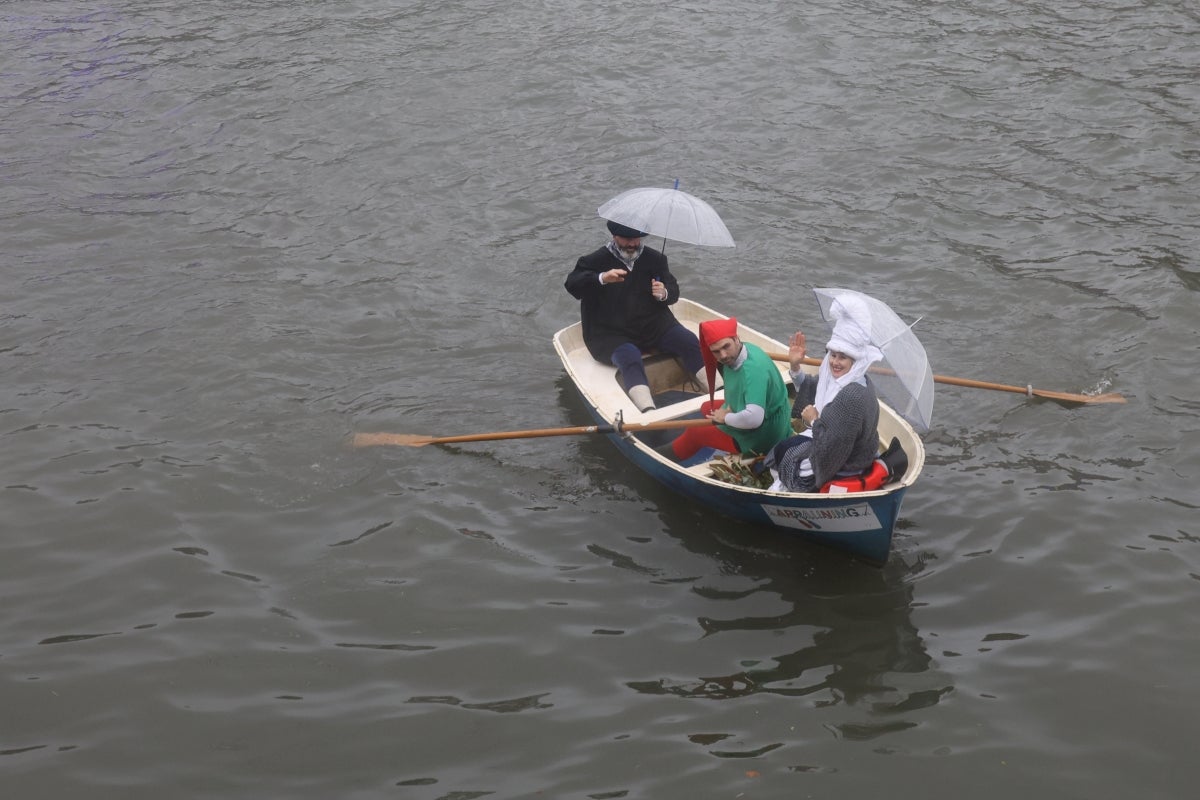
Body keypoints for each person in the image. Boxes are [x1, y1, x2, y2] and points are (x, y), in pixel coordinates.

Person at [564, 220, 708, 412]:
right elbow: (573, 286)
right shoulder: (593, 261)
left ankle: (719, 392)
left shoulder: (655, 259)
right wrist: (602, 278)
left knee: (689, 340)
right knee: (629, 356)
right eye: (626, 239)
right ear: (614, 236)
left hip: (654, 325)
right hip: (609, 332)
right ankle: (647, 412)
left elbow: (674, 291)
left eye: (636, 238)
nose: (632, 244)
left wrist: (664, 293)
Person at [762, 301, 885, 492]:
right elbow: (811, 387)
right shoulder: (846, 379)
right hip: (837, 443)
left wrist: (813, 421)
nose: (835, 362)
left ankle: (792, 490)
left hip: (848, 459)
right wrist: (795, 366)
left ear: (856, 360)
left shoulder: (851, 395)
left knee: (787, 458)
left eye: (842, 357)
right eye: (833, 355)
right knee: (780, 450)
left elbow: (832, 447)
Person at [664, 317, 793, 461]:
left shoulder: (753, 370)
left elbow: (754, 419)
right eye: (716, 351)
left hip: (764, 434)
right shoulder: (745, 349)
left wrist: (726, 417)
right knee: (707, 407)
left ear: (736, 339)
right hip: (767, 415)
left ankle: (664, 457)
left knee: (695, 433)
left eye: (726, 347)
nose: (723, 356)